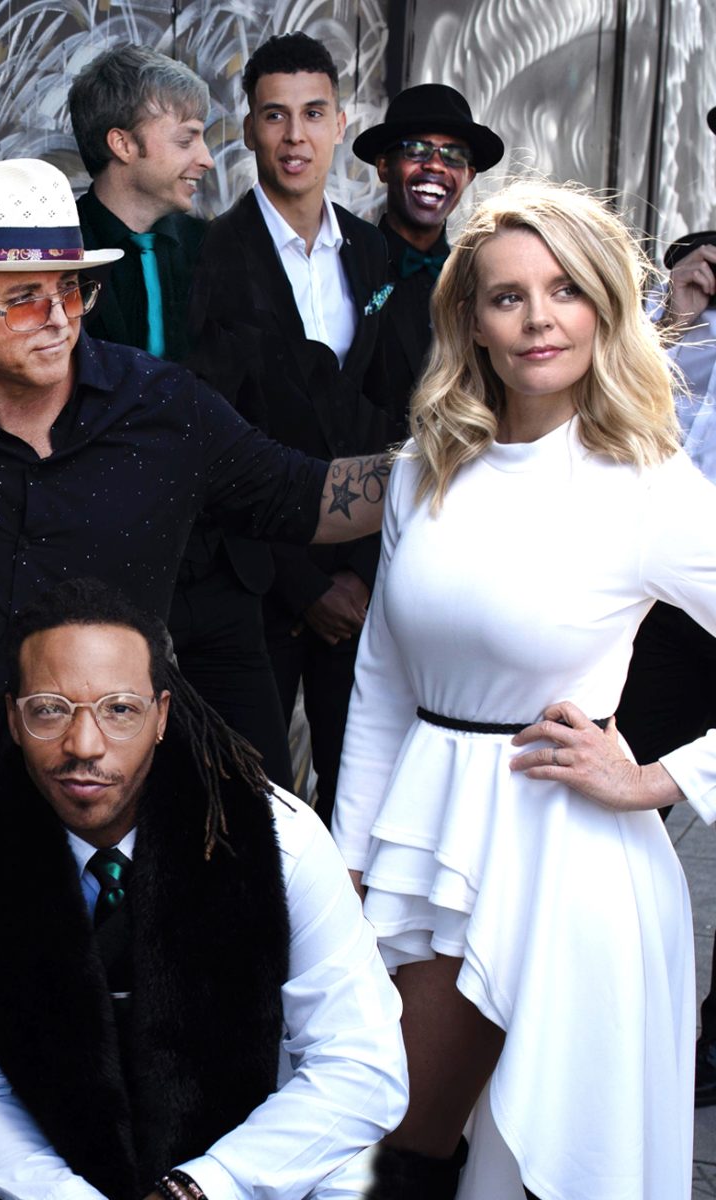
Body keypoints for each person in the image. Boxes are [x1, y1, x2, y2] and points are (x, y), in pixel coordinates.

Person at [0, 155, 391, 1196]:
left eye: (73, 288)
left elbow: (310, 499)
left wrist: (476, 454)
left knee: (154, 1098)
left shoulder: (161, 406)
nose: (57, 316)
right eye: (22, 297)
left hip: (133, 835)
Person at [334, 179, 716, 1198]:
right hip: (425, 840)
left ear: (604, 307)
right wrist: (349, 866)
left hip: (567, 862)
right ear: (472, 321)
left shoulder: (648, 487)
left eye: (565, 290)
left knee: (502, 1157)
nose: (539, 319)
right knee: (380, 1135)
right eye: (508, 297)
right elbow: (381, 682)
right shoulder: (423, 470)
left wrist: (661, 779)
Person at [0, 577, 407, 1200]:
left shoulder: (285, 839)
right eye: (50, 709)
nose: (84, 744)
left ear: (162, 716)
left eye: (120, 709)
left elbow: (362, 1065)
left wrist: (200, 1188)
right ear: (14, 718)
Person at [67, 43, 295, 788]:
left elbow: (270, 407)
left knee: (262, 793)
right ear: (123, 144)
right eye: (188, 137)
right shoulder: (56, 253)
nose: (205, 157)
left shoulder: (221, 253)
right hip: (111, 581)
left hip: (224, 576)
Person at [189, 32, 402, 824]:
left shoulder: (372, 251)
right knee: (250, 799)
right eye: (274, 115)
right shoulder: (215, 255)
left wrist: (361, 573)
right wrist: (306, 585)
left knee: (361, 794)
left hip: (361, 580)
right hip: (260, 579)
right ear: (248, 128)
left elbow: (384, 410)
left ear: (341, 124)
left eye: (313, 113)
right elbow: (217, 437)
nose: (294, 136)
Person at [619, 103, 716, 1106]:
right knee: (630, 784)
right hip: (674, 603)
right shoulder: (692, 281)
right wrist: (675, 308)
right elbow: (618, 400)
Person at [351, 83, 505, 410]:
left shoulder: (479, 281)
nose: (436, 165)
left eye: (454, 155)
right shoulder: (347, 269)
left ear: (469, 175)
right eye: (416, 150)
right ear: (384, 166)